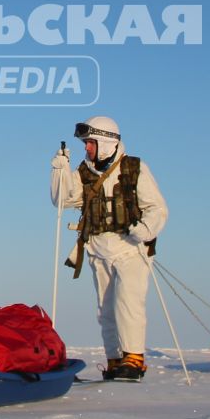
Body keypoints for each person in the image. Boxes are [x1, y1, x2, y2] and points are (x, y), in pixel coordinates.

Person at [50, 116, 168, 380]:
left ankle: (134, 358)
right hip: (97, 247)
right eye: (85, 143)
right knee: (106, 309)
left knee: (128, 302)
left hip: (131, 248)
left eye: (90, 142)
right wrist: (59, 172)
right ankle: (115, 359)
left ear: (105, 142)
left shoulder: (133, 168)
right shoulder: (83, 172)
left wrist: (144, 231)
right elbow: (63, 201)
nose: (86, 148)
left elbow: (157, 208)